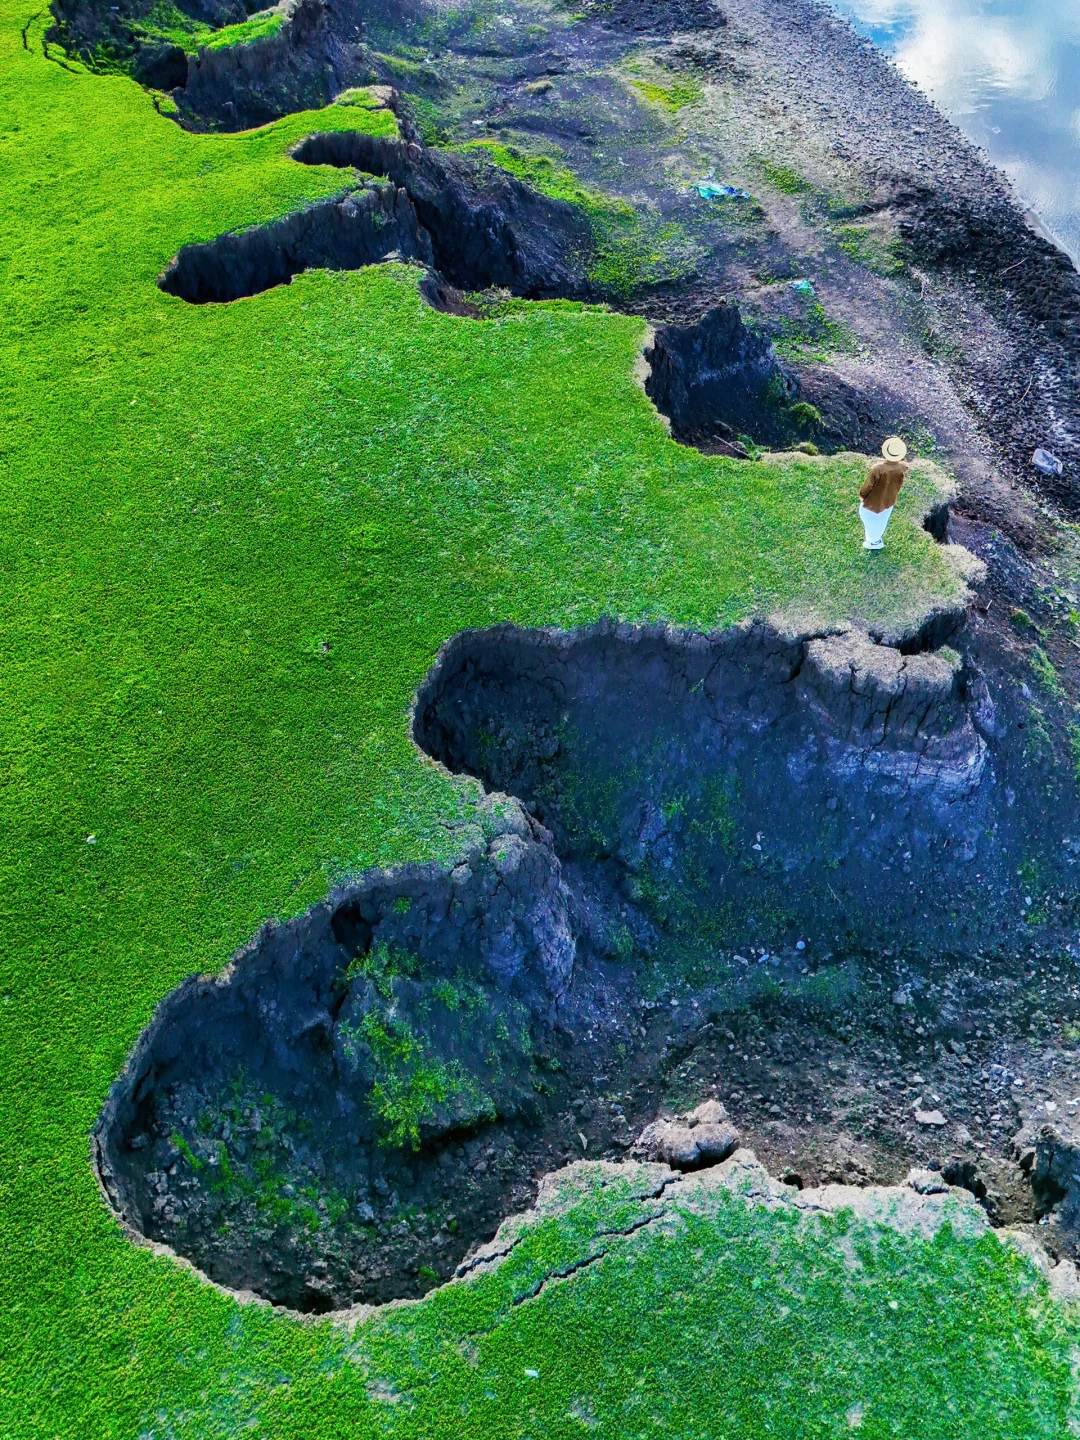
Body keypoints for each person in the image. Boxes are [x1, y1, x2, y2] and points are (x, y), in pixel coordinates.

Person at [858, 436, 908, 550]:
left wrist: (862, 496)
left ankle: (874, 542)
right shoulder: (902, 467)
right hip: (889, 501)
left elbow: (868, 486)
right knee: (882, 520)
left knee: (867, 517)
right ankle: (875, 539)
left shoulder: (877, 468)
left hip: (872, 502)